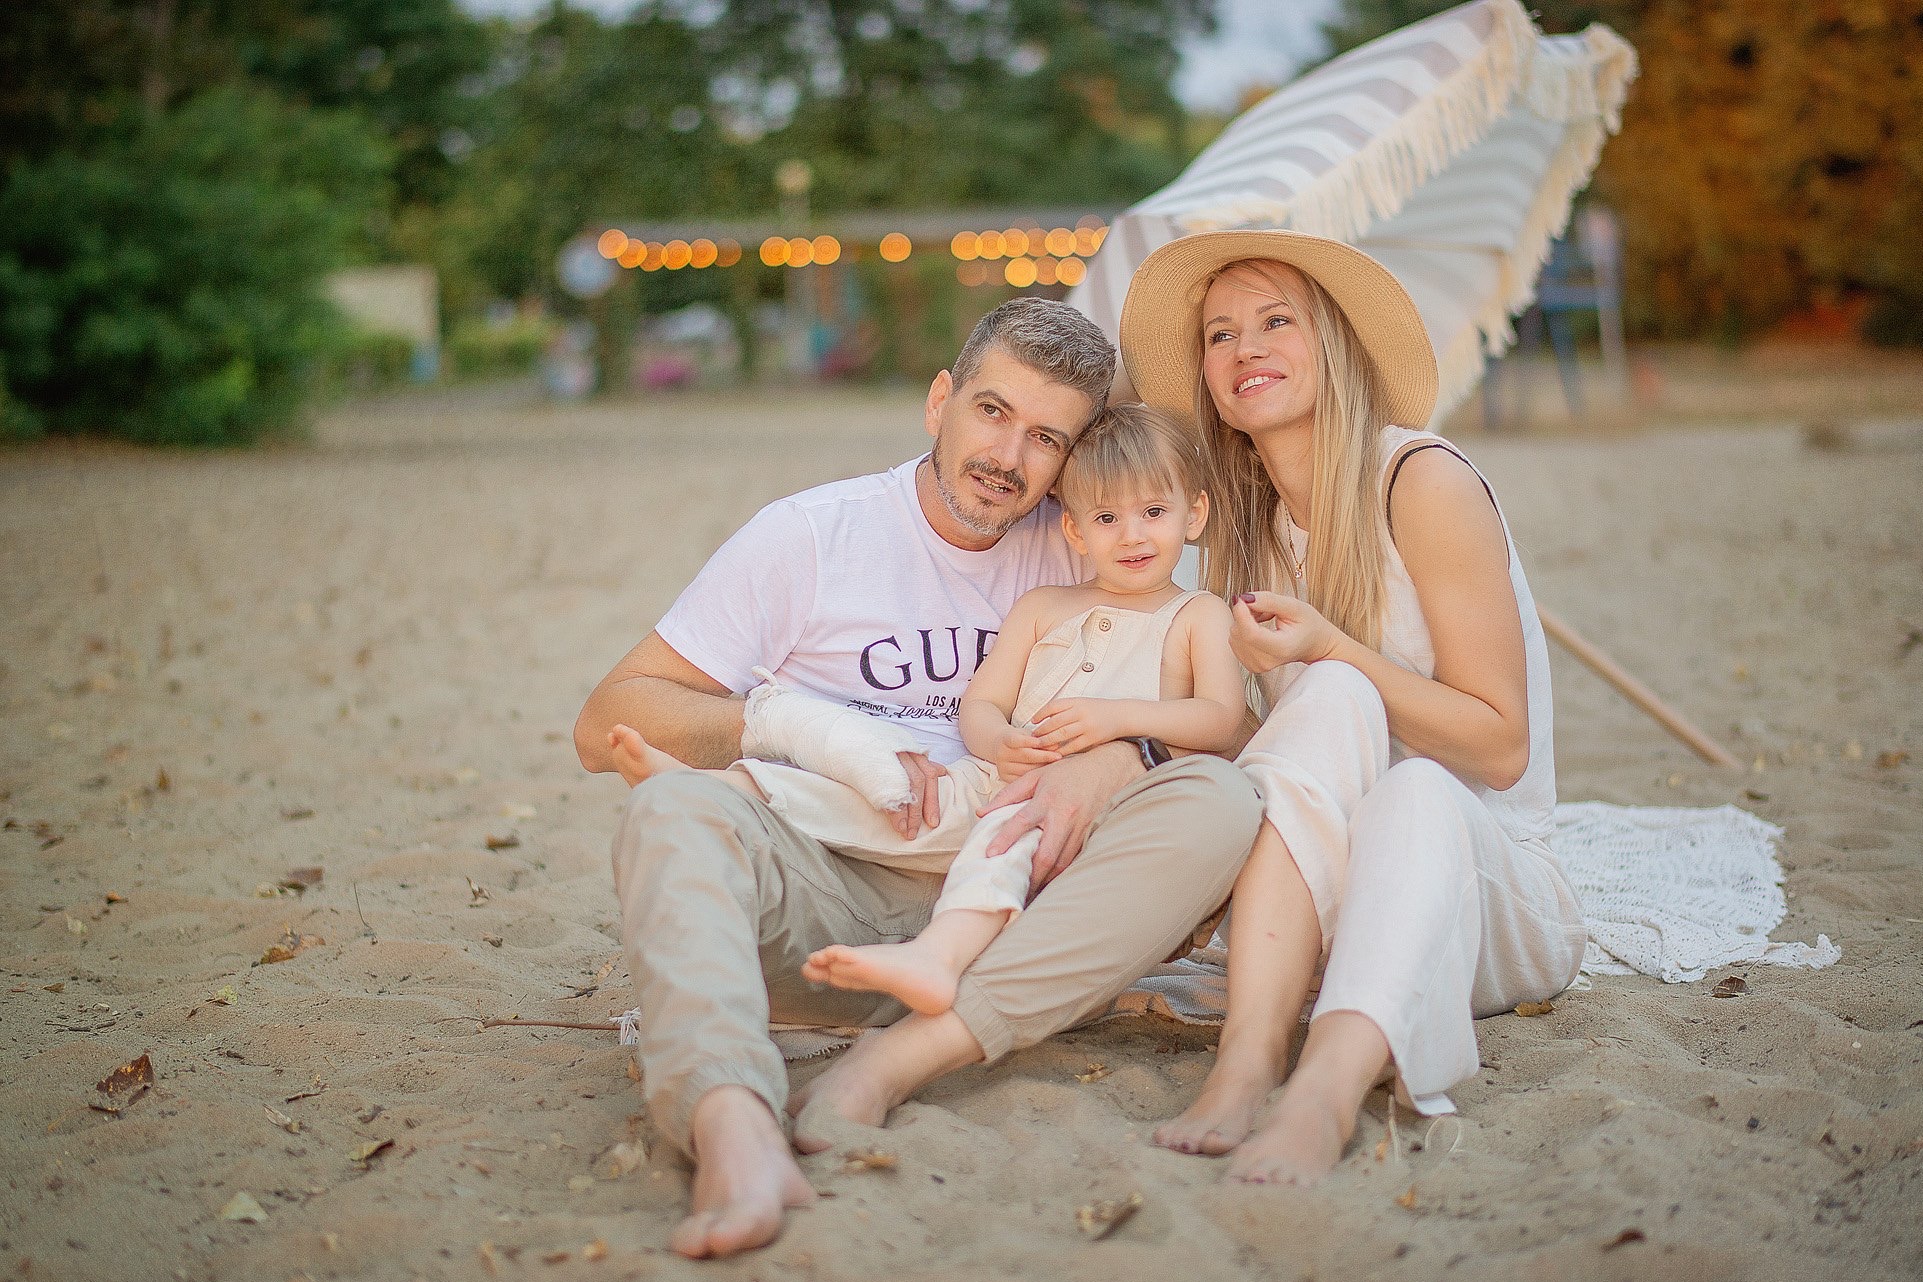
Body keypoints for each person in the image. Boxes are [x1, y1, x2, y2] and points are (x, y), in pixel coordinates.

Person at [574, 298, 1264, 1258]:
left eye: (1045, 438)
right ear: (939, 401)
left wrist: (1118, 755)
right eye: (990, 411)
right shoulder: (813, 536)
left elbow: (1228, 721)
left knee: (1224, 801)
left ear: (1071, 462)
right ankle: (730, 1123)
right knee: (674, 810)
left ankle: (899, 1056)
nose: (1008, 456)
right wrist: (791, 726)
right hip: (830, 896)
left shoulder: (1094, 543)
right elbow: (609, 716)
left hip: (1024, 912)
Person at [1115, 230, 1586, 1184]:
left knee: (1403, 782)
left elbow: (1498, 750)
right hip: (1335, 887)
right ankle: (1247, 1065)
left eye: (1276, 322)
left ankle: (1326, 1089)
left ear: (1330, 342)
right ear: (1206, 376)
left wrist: (1333, 647)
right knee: (1326, 697)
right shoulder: (1242, 534)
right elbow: (1289, 764)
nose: (1246, 349)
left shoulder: (1421, 481)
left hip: (1492, 888)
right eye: (1220, 335)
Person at [603, 403, 1247, 1019]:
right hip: (999, 779)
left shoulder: (1196, 617)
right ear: (1074, 530)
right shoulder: (1045, 607)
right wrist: (998, 742)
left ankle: (937, 958)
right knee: (894, 804)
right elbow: (983, 703)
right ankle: (716, 793)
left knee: (1001, 856)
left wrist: (1119, 723)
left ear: (1195, 515)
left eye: (1154, 512)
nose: (1133, 535)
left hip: (1097, 809)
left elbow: (1220, 718)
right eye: (1107, 518)